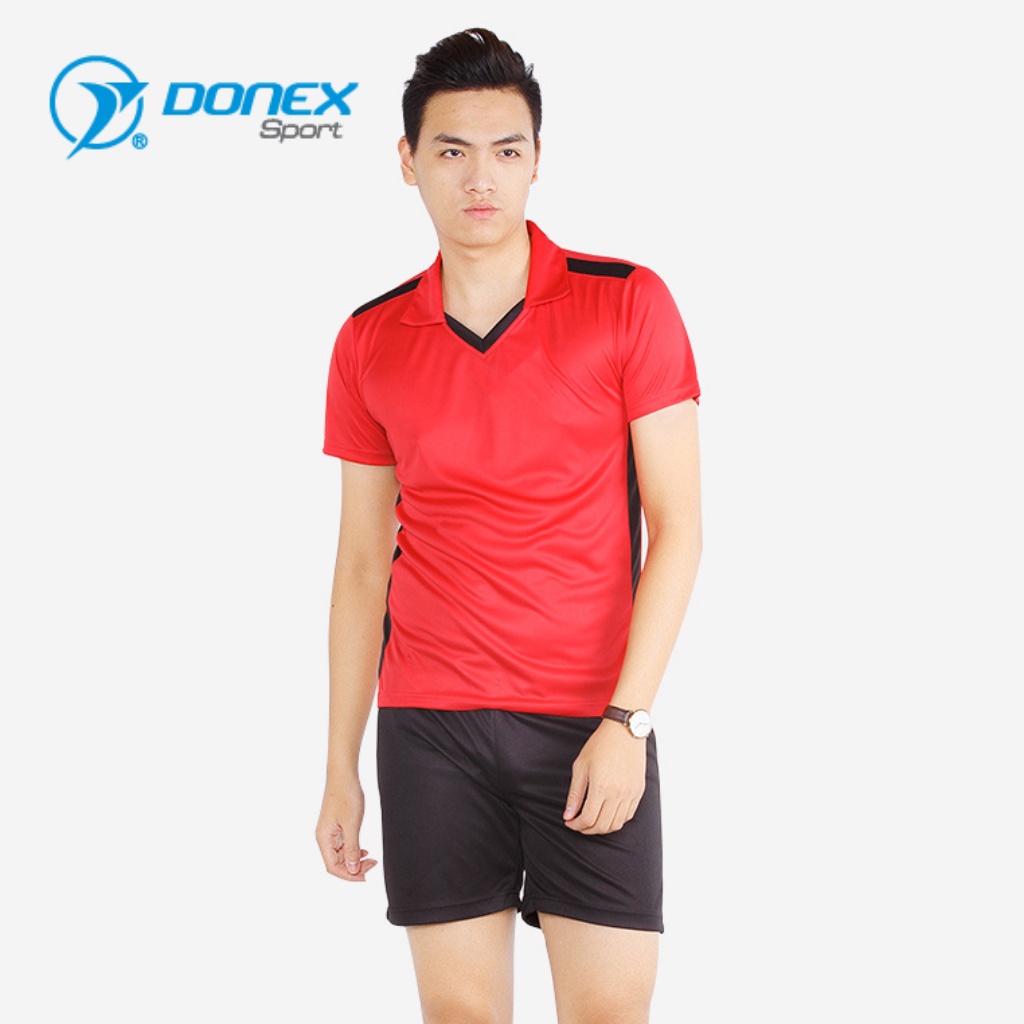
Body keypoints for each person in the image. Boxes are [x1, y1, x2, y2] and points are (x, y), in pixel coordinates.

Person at [314, 27, 702, 1024]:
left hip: (587, 720)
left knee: (608, 1015)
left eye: (505, 150)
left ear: (536, 160)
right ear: (408, 162)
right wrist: (340, 767)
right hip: (429, 729)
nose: (479, 177)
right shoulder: (368, 339)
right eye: (451, 150)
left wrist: (627, 721)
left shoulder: (627, 303)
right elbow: (361, 566)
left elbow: (680, 528)